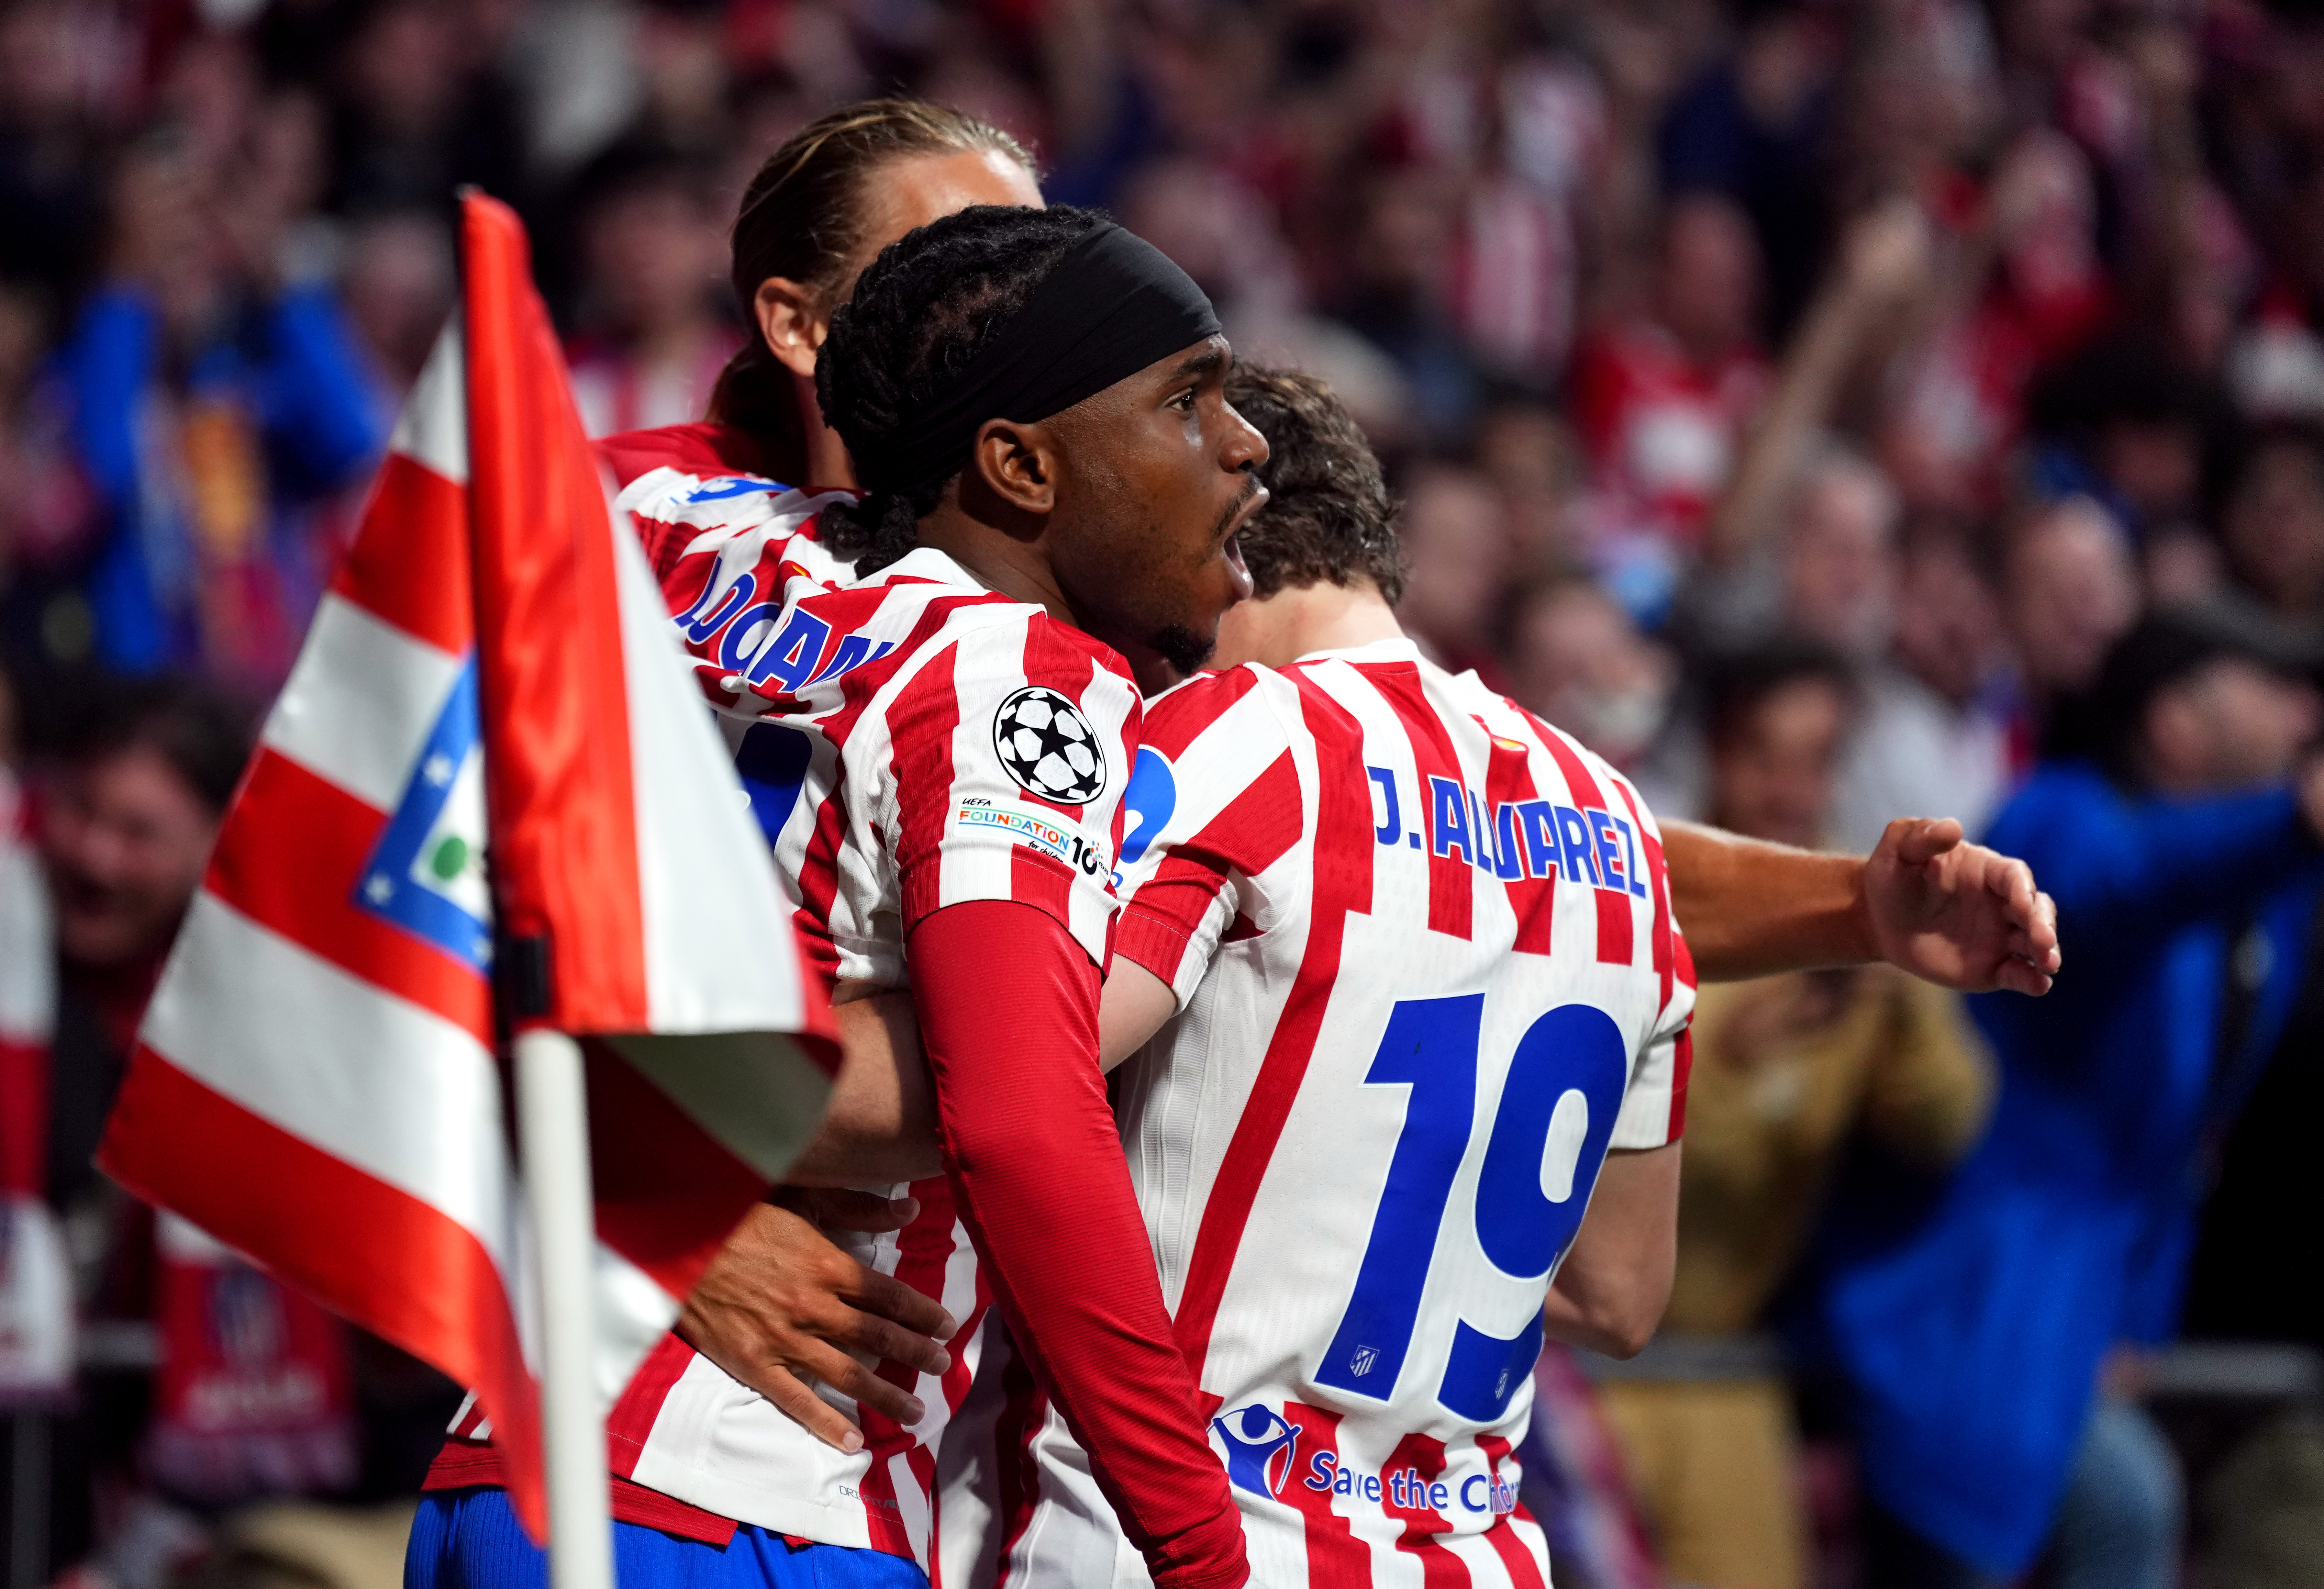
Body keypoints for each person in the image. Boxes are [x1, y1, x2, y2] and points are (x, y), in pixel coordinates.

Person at [587, 91, 2059, 1491]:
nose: (1025, 294)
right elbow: (398, 885)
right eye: (961, 257)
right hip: (683, 1411)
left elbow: (1431, 845)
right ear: (794, 318)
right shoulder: (625, 521)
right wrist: (652, 1201)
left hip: (905, 1454)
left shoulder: (1078, 622)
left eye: (1042, 250)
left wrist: (1844, 904)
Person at [412, 203, 1263, 1589]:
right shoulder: (1009, 680)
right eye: (1190, 397)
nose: (1244, 440)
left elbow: (406, 877)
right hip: (749, 1482)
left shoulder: (667, 529)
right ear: (1019, 464)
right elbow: (1018, 1117)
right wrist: (1198, 1544)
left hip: (497, 1453)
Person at [1799, 608, 2324, 1589]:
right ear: (2173, 720)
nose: (2300, 714)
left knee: (2126, 1503)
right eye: (2264, 686)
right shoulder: (2060, 816)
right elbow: (2119, 890)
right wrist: (2291, 820)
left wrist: (2139, 1315)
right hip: (1962, 1317)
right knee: (2117, 1506)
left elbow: (2176, 1148)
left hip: (2067, 1332)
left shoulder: (2252, 901)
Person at [1593, 640, 1992, 1589]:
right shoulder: (1644, 895)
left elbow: (1945, 1127)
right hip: (1577, 1367)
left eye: (1815, 757)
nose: (1787, 783)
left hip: (1724, 1369)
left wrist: (1896, 1002)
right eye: (1762, 752)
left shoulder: (1859, 927)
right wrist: (1728, 1061)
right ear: (1717, 755)